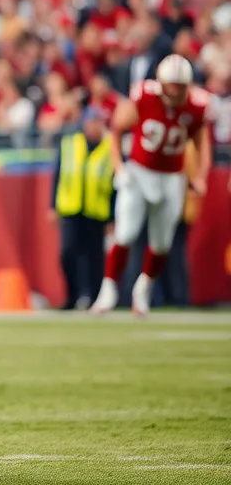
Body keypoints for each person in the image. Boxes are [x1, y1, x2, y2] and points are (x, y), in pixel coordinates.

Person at [92, 54, 212, 316]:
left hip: (172, 176)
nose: (175, 90)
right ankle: (108, 291)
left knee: (161, 244)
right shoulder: (144, 95)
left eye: (180, 85)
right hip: (139, 172)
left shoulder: (197, 105)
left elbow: (203, 143)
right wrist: (119, 166)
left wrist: (201, 176)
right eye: (171, 84)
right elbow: (116, 127)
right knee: (125, 233)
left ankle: (143, 288)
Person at [52, 107, 115, 310]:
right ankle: (72, 296)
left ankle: (94, 299)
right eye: (92, 122)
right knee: (68, 252)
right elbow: (57, 175)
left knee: (95, 257)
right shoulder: (70, 144)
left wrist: (113, 216)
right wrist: (52, 206)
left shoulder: (109, 147)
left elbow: (115, 184)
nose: (95, 127)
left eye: (99, 123)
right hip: (71, 207)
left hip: (97, 210)